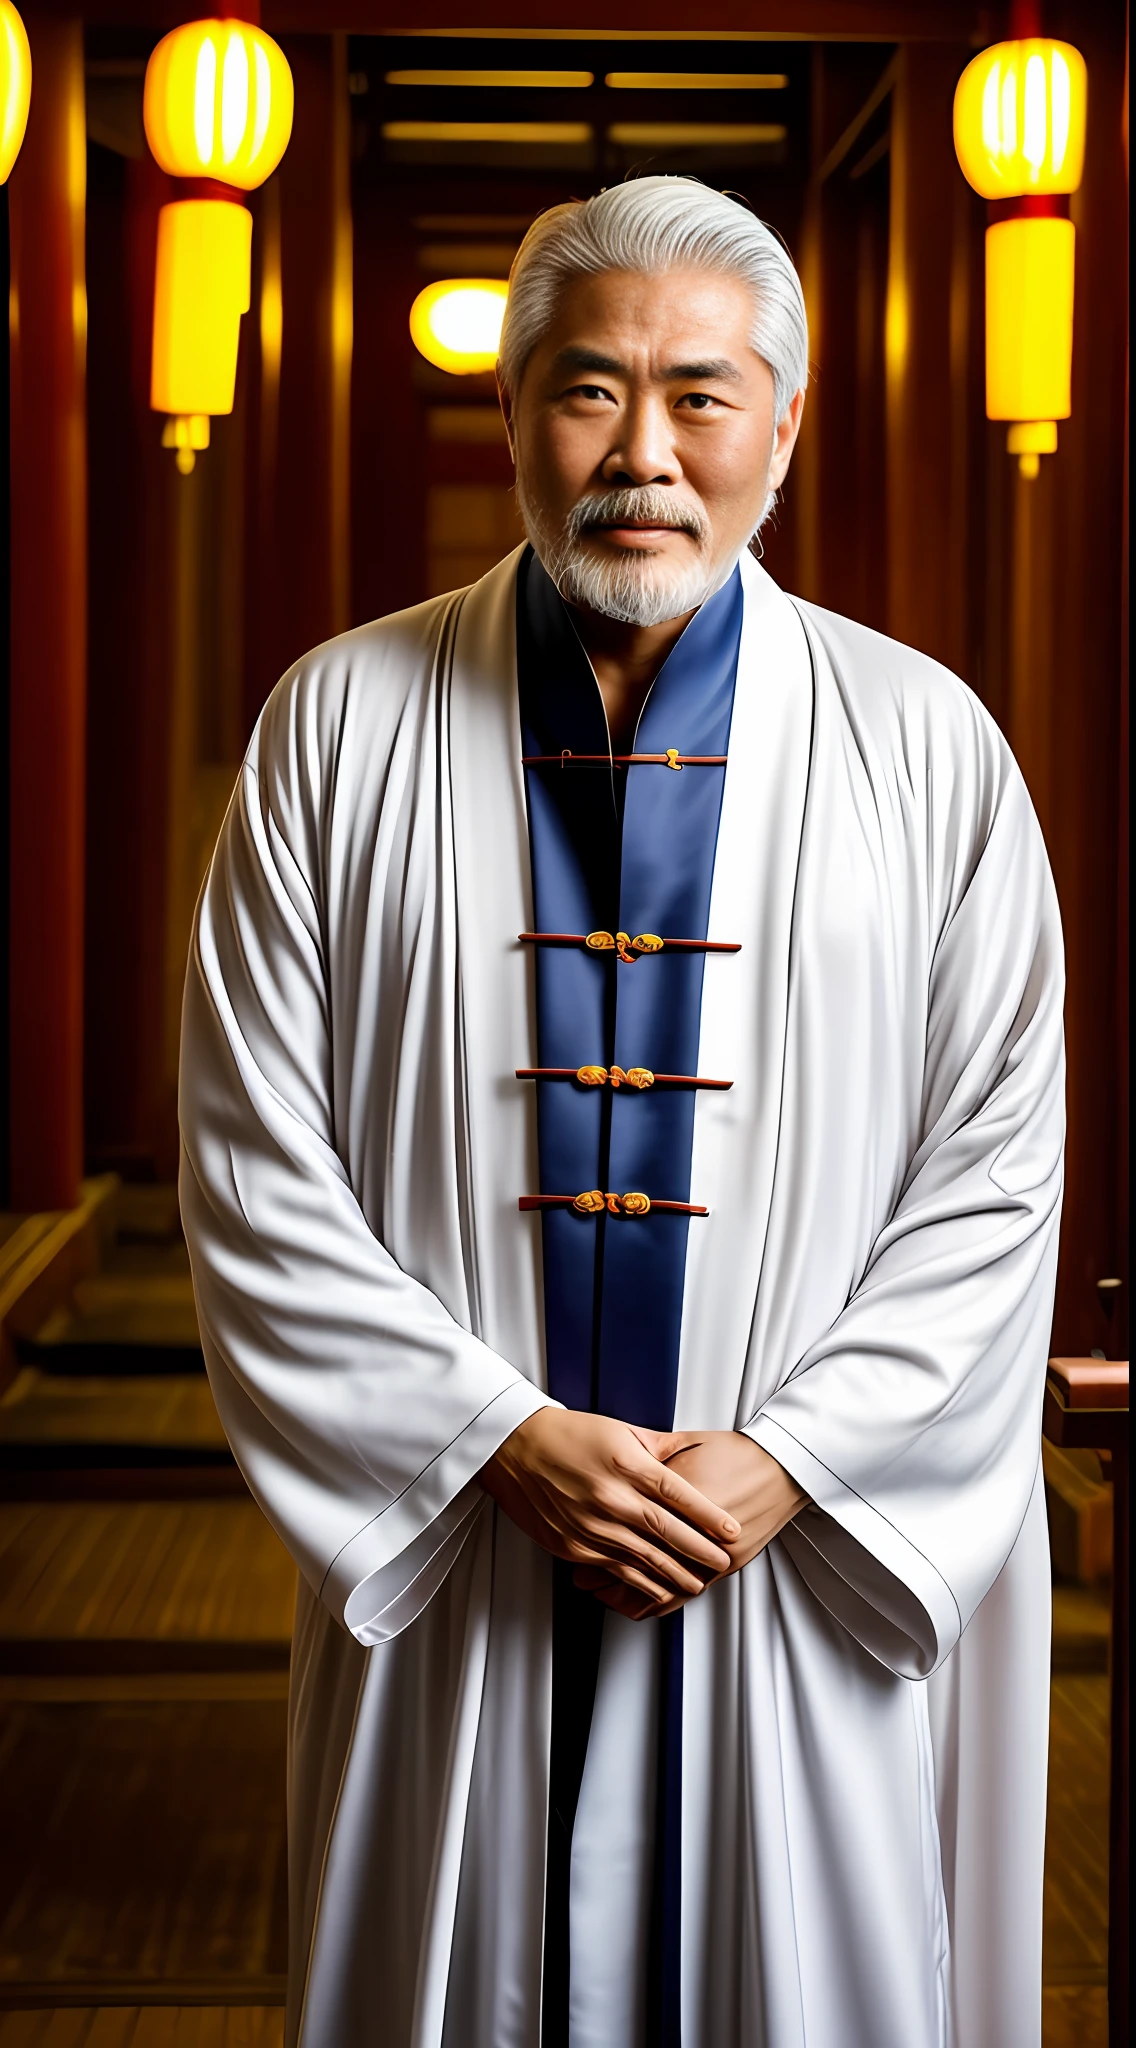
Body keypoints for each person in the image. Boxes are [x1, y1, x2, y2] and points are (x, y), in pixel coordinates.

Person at [178, 177, 1064, 2048]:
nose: (642, 455)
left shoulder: (933, 750)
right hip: (467, 1555)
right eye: (588, 392)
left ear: (787, 423)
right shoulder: (332, 730)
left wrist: (787, 1460)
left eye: (702, 396)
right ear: (509, 410)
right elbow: (256, 1168)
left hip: (791, 1558)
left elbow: (996, 1179)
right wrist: (493, 1436)